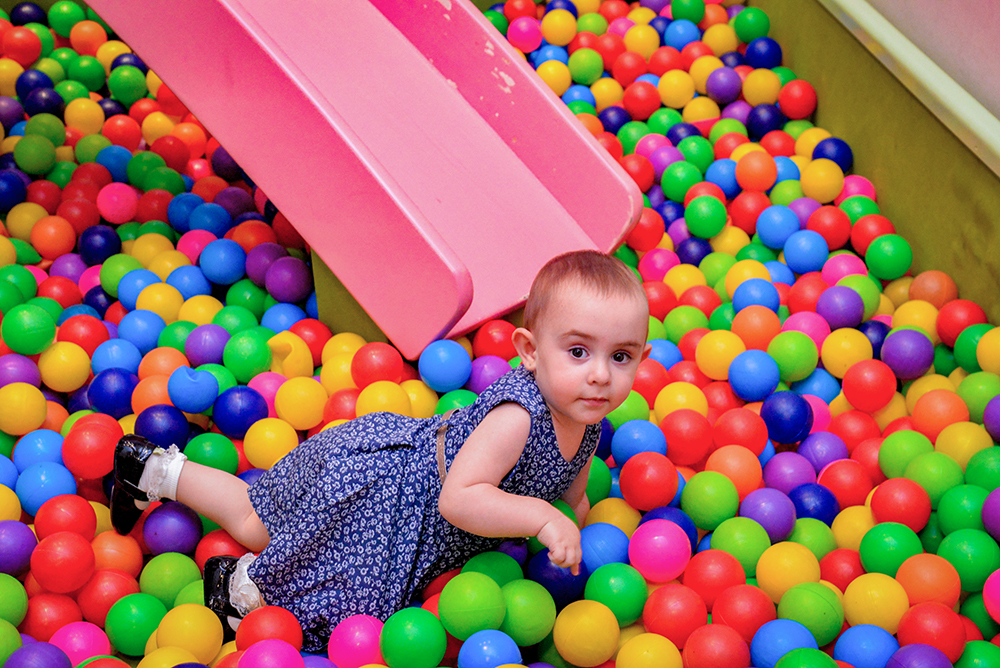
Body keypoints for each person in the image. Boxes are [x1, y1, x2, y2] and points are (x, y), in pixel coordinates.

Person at [109, 249, 651, 651]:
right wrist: (540, 520)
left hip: (417, 516)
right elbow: (459, 500)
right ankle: (241, 586)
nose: (600, 376)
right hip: (389, 495)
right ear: (530, 352)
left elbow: (571, 496)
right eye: (578, 351)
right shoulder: (517, 417)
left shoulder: (587, 423)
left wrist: (573, 531)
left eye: (621, 357)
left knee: (263, 518)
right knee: (268, 531)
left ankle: (151, 469)